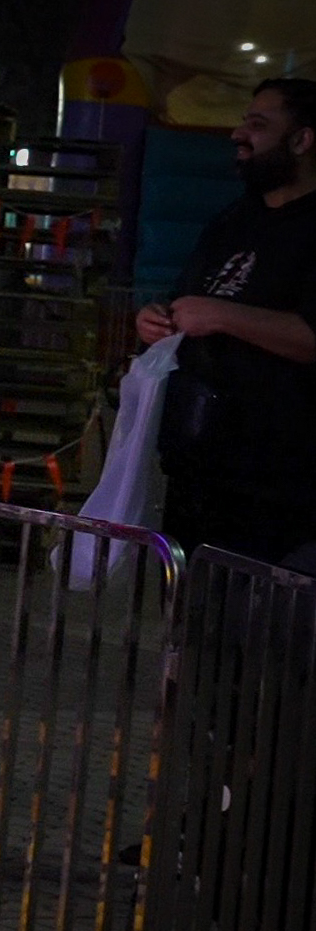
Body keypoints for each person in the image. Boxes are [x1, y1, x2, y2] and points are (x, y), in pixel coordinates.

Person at [139, 77, 316, 568]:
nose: (239, 134)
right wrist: (157, 321)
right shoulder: (232, 220)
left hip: (279, 486)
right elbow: (185, 299)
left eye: (258, 125)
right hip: (199, 472)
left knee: (259, 631)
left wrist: (221, 316)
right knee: (191, 624)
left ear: (303, 140)